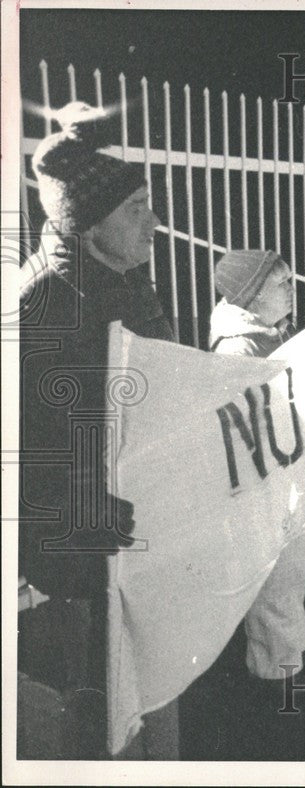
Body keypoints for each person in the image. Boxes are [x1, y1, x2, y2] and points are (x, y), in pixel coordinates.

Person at [19, 102, 179, 758]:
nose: (156, 223)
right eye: (138, 207)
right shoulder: (43, 309)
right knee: (103, 732)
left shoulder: (123, 285)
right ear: (87, 224)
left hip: (135, 555)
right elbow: (32, 459)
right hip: (85, 576)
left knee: (148, 718)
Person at [208, 249, 305, 684]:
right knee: (274, 576)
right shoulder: (241, 346)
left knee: (290, 569)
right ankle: (276, 668)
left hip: (284, 470)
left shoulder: (269, 334)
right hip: (266, 479)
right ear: (254, 296)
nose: (292, 290)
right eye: (283, 284)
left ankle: (290, 648)